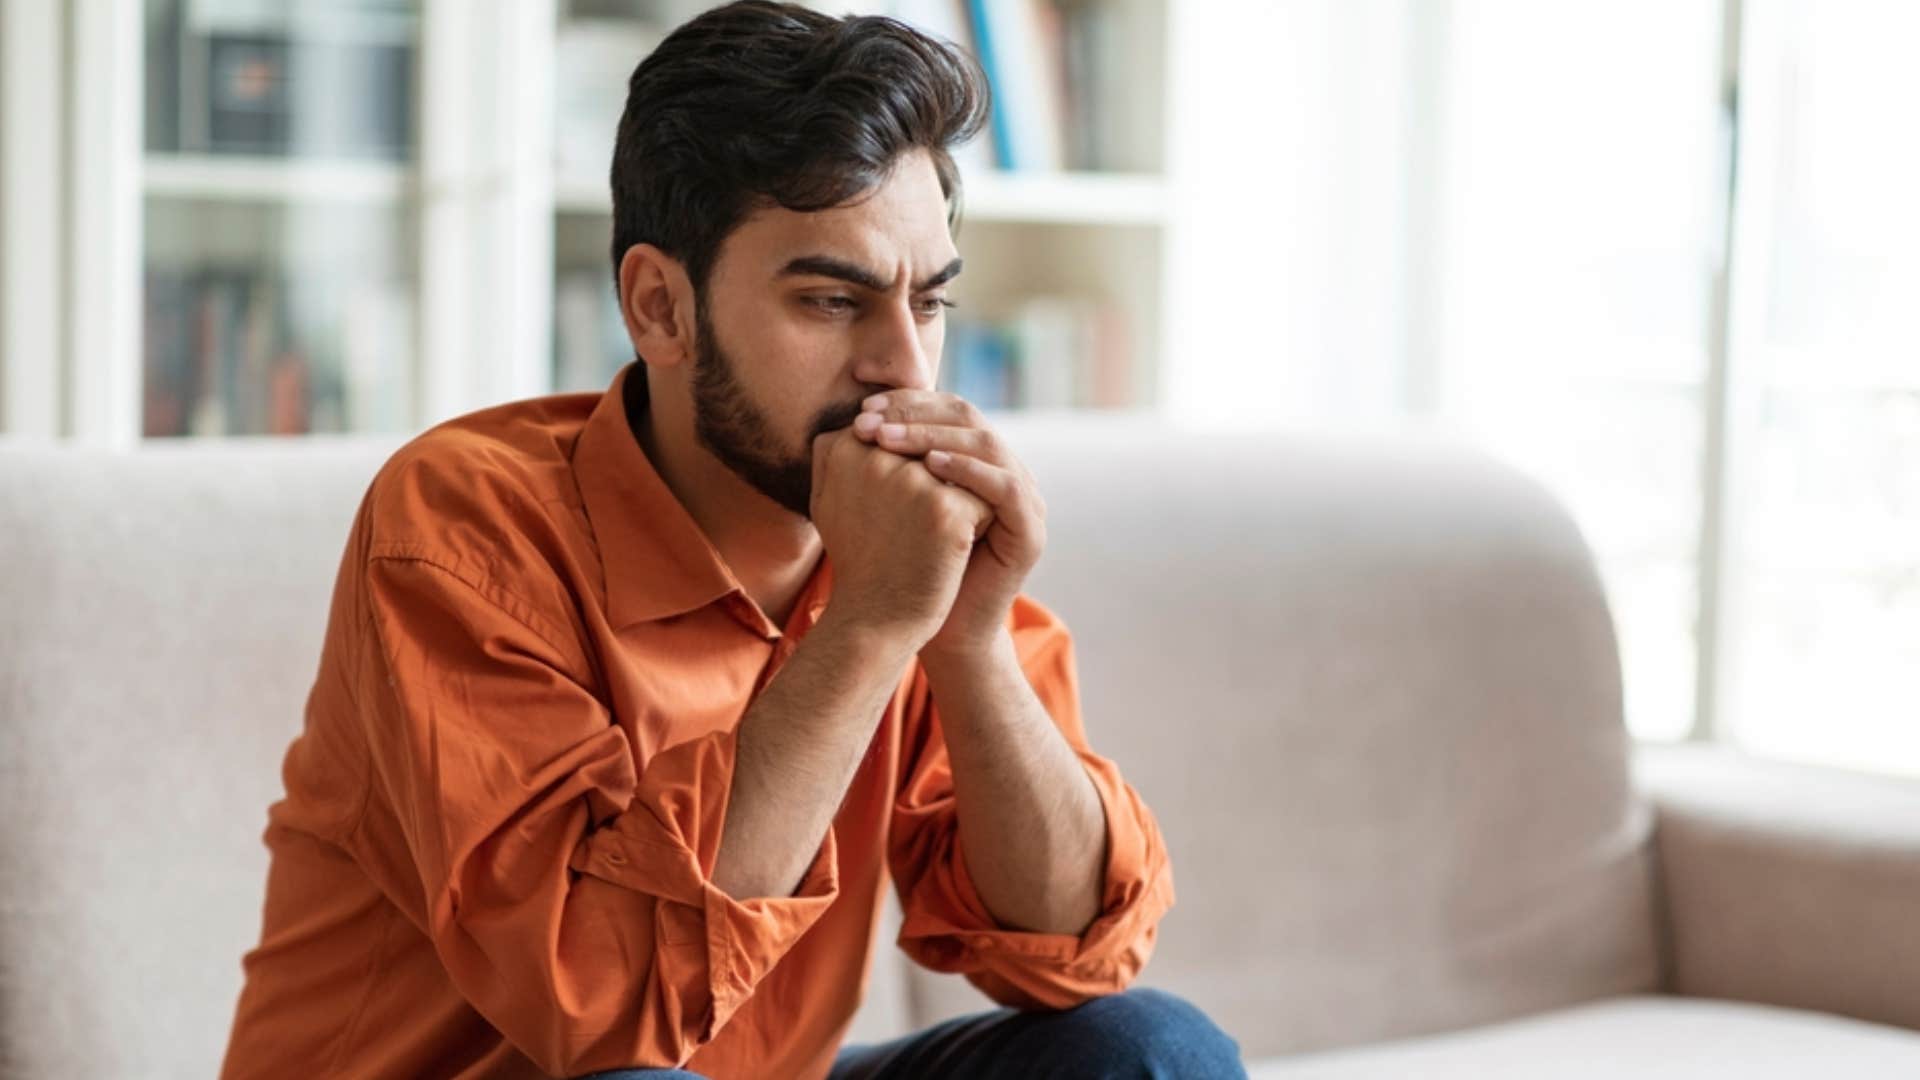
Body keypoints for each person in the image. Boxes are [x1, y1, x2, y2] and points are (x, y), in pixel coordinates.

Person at [219, 3, 1241, 1077]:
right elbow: (603, 1012)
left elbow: (1074, 955)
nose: (904, 368)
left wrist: (971, 639)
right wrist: (867, 630)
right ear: (660, 307)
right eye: (831, 299)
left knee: (1147, 1052)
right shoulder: (461, 531)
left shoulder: (895, 542)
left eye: (928, 303)